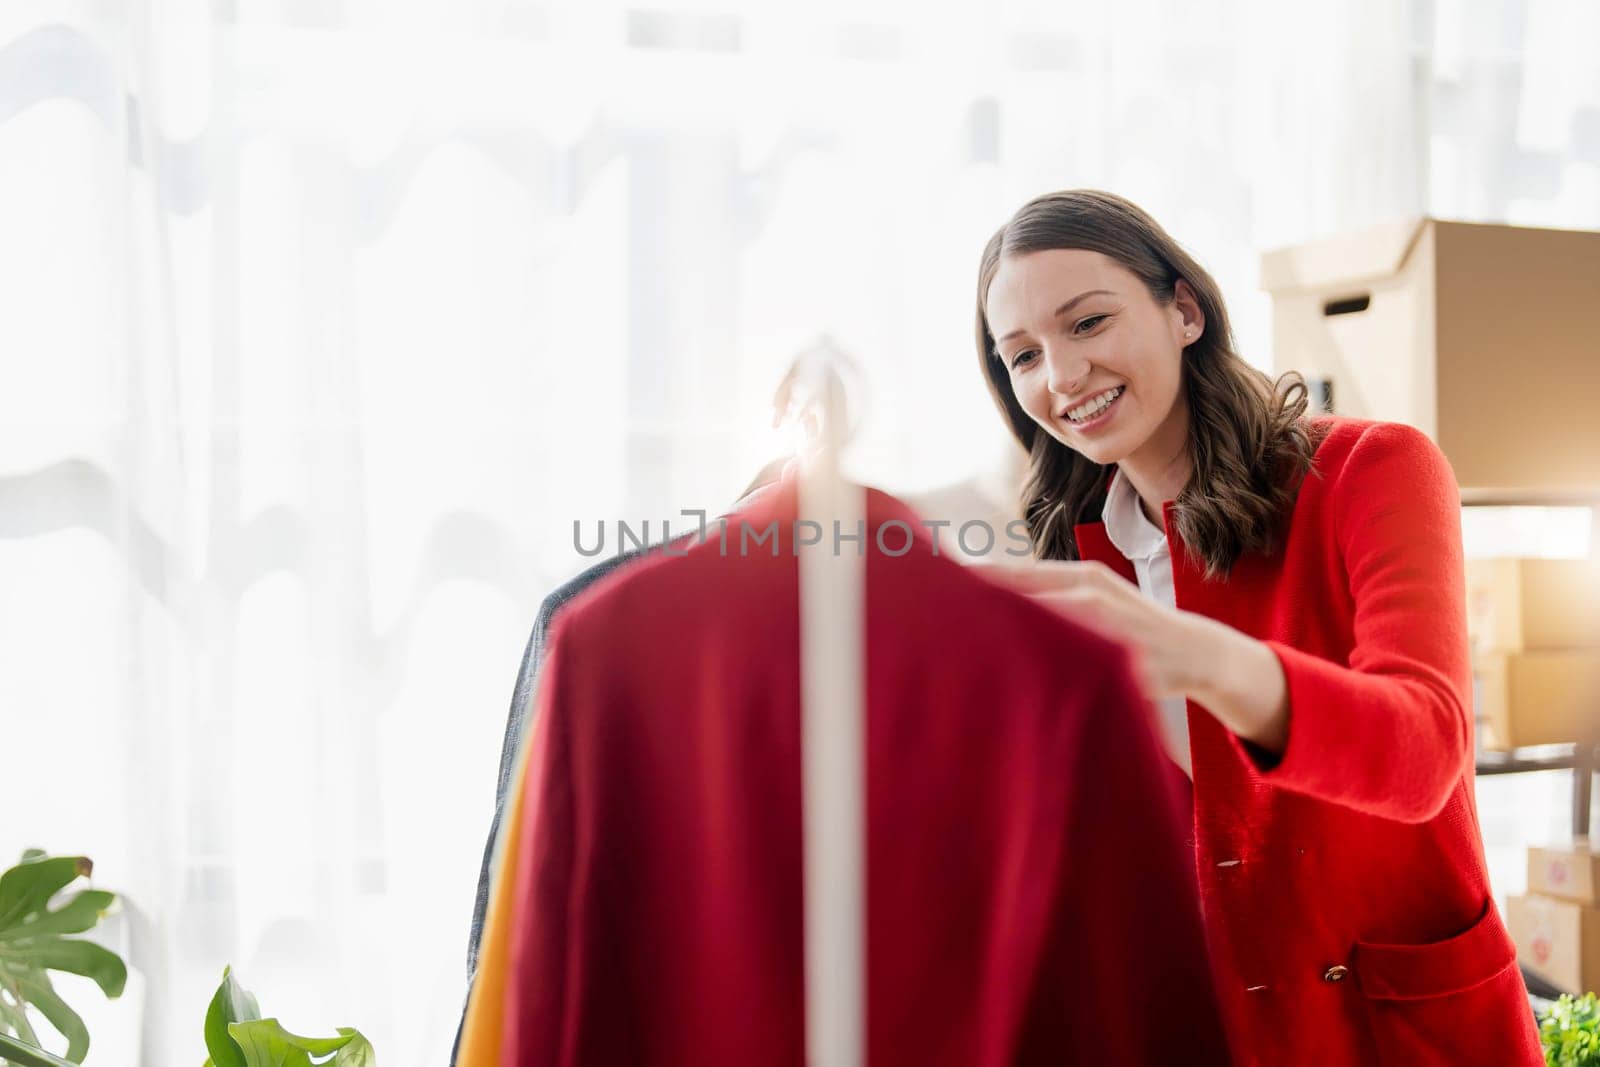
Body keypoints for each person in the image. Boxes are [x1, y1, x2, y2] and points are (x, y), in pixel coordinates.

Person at [973, 189, 1540, 1066]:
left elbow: (1425, 750)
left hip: (1397, 1030)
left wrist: (1199, 657)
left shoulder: (1372, 468)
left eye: (1087, 323)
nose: (1061, 377)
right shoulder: (1079, 558)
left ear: (1185, 310)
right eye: (1022, 356)